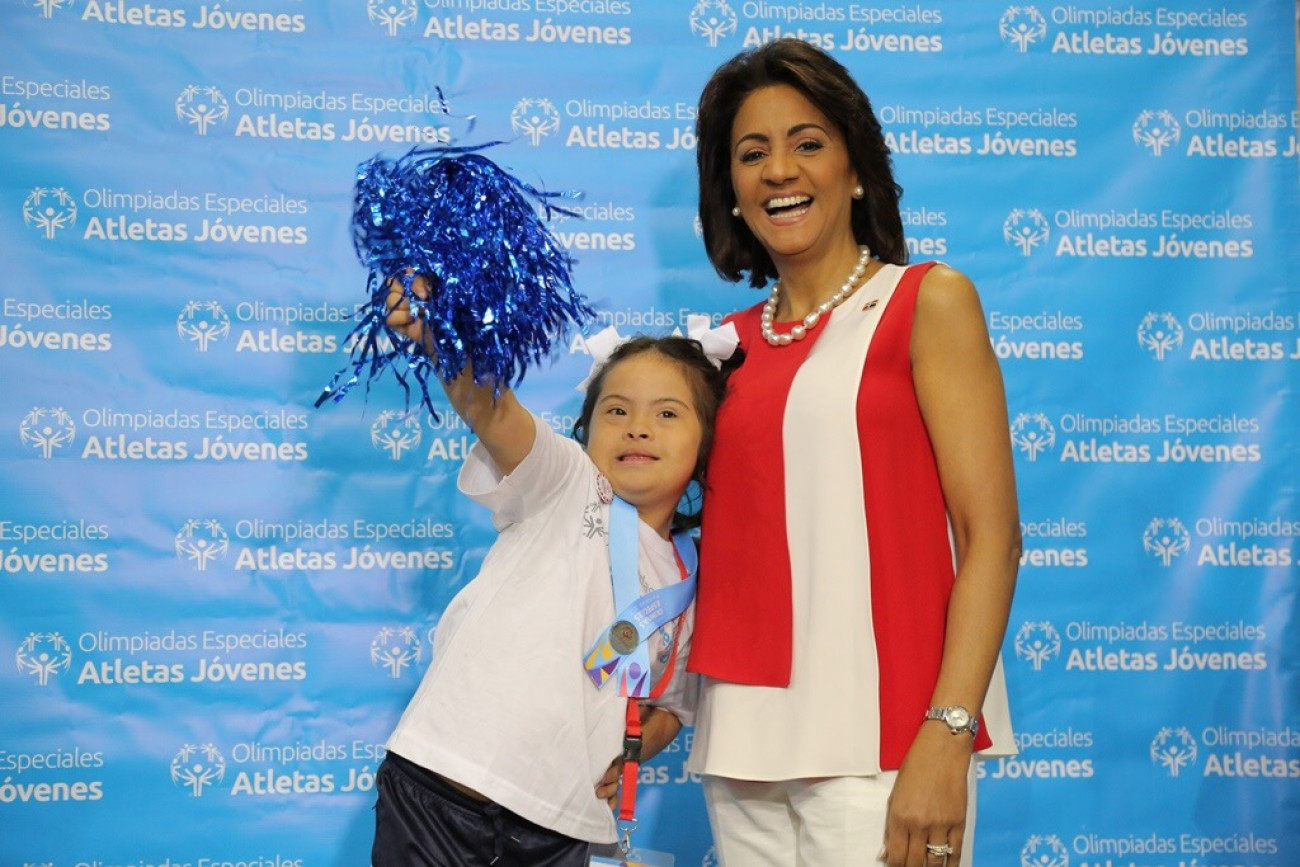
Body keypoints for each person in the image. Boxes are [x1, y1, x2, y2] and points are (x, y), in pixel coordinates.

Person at [685, 38, 1020, 867]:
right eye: (751, 153)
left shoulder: (927, 300)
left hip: (889, 749)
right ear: (730, 191)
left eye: (807, 143)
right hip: (743, 749)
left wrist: (947, 733)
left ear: (857, 169)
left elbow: (991, 537)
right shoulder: (721, 348)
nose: (779, 170)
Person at [370, 274, 732, 866]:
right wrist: (442, 338)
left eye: (668, 413)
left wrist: (633, 748)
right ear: (586, 432)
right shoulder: (568, 484)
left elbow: (670, 706)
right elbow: (494, 411)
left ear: (706, 445)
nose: (638, 427)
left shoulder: (690, 580)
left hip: (562, 823)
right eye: (617, 410)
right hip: (443, 789)